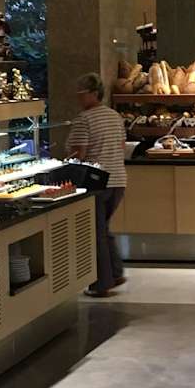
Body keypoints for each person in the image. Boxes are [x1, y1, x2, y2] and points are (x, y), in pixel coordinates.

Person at [65, 71, 127, 297]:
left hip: (96, 182)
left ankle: (101, 284)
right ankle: (116, 272)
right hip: (118, 180)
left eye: (81, 94)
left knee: (95, 233)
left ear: (93, 93)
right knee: (103, 228)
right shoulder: (114, 116)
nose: (78, 98)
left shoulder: (84, 119)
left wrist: (64, 164)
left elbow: (78, 154)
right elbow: (121, 146)